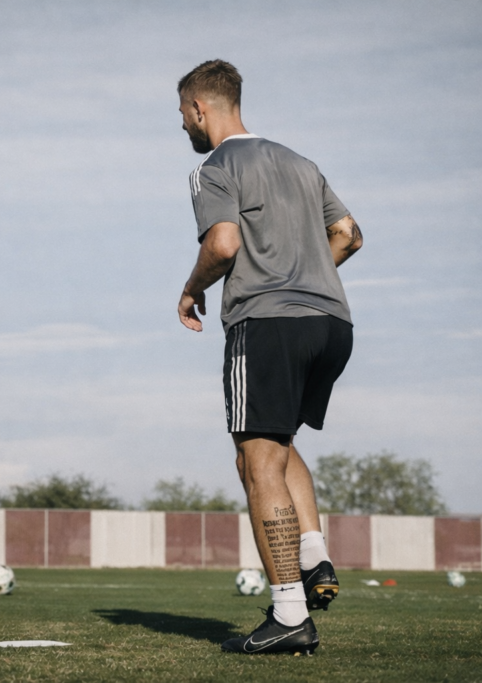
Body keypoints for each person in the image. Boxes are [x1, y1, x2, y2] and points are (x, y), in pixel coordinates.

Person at [174, 60, 362, 655]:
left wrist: (191, 287)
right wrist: (307, 276)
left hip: (268, 323)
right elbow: (350, 233)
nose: (183, 126)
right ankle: (313, 556)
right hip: (332, 324)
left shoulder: (216, 166)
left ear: (201, 109)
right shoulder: (301, 163)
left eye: (183, 115)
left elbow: (223, 243)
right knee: (275, 445)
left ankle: (288, 614)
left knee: (256, 463)